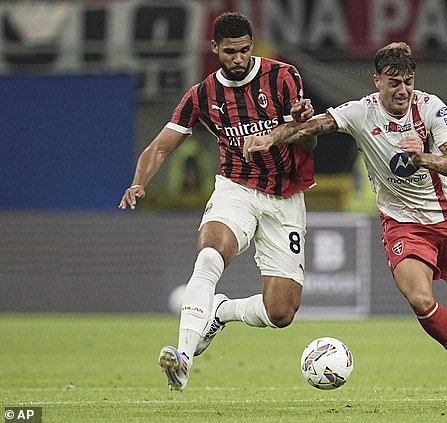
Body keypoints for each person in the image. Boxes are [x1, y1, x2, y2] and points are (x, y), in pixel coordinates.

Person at [244, 42, 447, 401]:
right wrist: (271, 137)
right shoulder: (360, 112)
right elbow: (314, 126)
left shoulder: (430, 108)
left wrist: (424, 157)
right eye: (394, 82)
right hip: (402, 224)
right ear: (377, 80)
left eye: (408, 81)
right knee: (420, 299)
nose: (402, 90)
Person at [119, 12, 316, 391]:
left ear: (252, 45)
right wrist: (139, 182)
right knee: (210, 253)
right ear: (215, 49)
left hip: (286, 197)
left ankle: (220, 312)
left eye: (244, 50)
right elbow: (161, 146)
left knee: (281, 312)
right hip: (235, 188)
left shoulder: (283, 76)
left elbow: (308, 138)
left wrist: (297, 125)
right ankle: (183, 358)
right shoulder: (203, 95)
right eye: (230, 52)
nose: (239, 58)